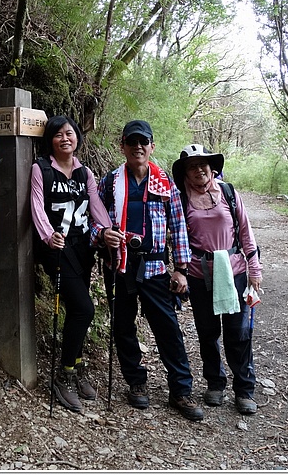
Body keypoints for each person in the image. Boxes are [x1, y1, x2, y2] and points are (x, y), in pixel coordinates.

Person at [94, 120, 203, 422]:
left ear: (152, 146)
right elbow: (95, 219)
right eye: (132, 142)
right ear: (123, 146)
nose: (138, 147)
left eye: (144, 142)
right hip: (119, 265)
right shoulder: (111, 182)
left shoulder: (165, 182)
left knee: (167, 328)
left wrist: (181, 269)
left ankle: (181, 389)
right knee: (124, 326)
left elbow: (179, 225)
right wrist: (102, 234)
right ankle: (136, 381)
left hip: (155, 266)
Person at [30, 115, 114, 413]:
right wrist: (47, 234)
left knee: (79, 309)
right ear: (50, 140)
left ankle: (76, 365)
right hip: (57, 249)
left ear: (77, 137)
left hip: (82, 249)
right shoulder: (41, 169)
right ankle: (63, 375)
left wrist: (107, 231)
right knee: (83, 308)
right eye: (58, 135)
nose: (65, 138)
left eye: (70, 133)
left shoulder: (85, 173)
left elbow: (95, 205)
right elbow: (37, 206)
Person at [171, 144, 263, 415]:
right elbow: (177, 237)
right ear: (185, 173)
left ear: (212, 168)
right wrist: (180, 271)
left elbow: (245, 231)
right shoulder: (181, 199)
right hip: (200, 275)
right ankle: (215, 383)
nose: (199, 169)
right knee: (208, 333)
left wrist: (254, 269)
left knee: (239, 332)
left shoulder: (228, 193)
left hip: (234, 271)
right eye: (192, 166)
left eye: (203, 164)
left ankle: (244, 389)